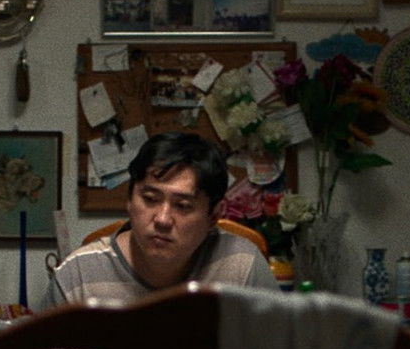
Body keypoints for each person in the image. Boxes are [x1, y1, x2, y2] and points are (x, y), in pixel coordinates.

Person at [41, 132, 279, 309]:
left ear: (214, 215)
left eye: (183, 206)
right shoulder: (78, 276)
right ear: (129, 200)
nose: (162, 219)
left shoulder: (242, 266)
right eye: (150, 199)